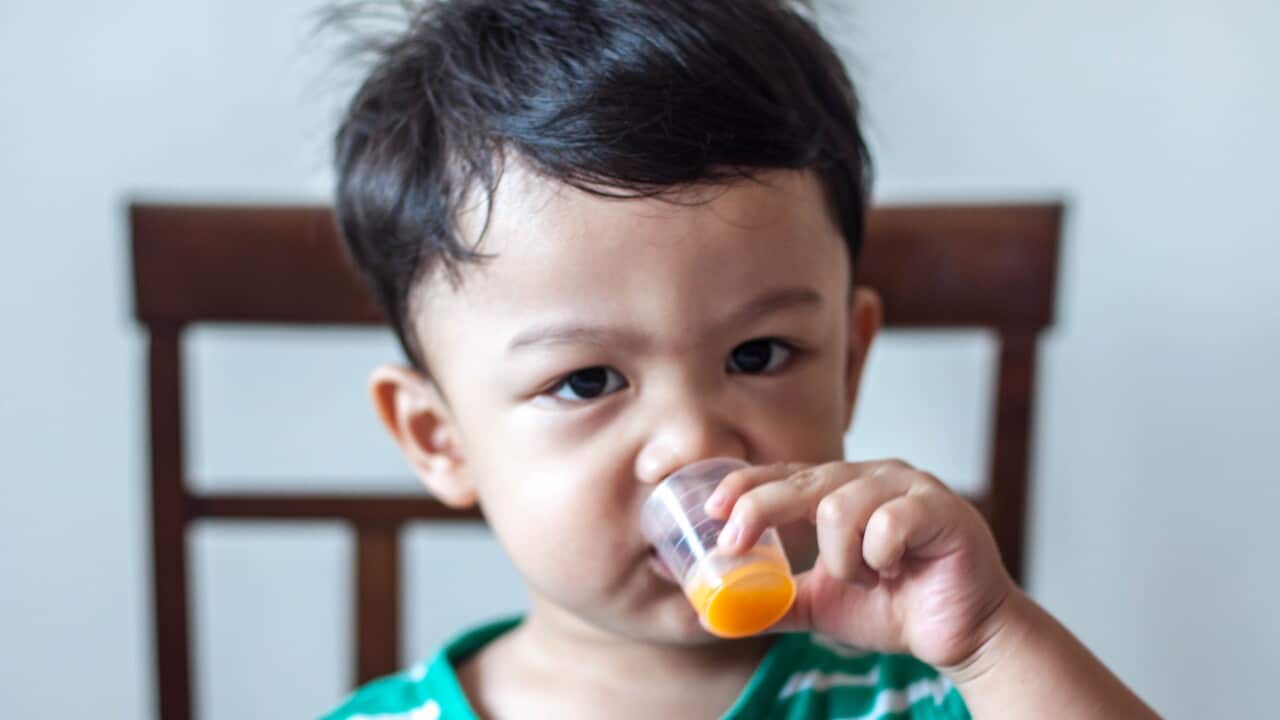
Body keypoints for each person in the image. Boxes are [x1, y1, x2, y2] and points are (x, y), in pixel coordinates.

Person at [319, 1, 1157, 717]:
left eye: (758, 354)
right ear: (440, 438)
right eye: (587, 380)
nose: (693, 444)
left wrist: (989, 638)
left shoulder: (930, 689)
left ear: (849, 365)